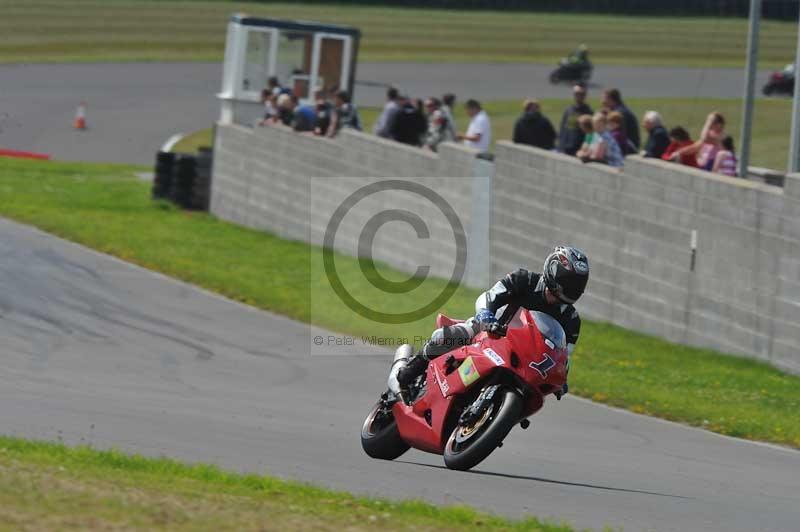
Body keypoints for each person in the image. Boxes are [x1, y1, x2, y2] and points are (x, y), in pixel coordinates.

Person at [396, 246, 590, 397]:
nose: (569, 289)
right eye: (567, 281)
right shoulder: (523, 279)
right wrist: (486, 316)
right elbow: (489, 296)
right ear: (553, 270)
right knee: (450, 335)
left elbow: (563, 357)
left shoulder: (571, 321)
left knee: (533, 394)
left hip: (523, 360)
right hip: (491, 331)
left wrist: (560, 380)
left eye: (575, 286)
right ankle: (409, 373)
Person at [558, 84, 593, 155]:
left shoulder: (589, 112)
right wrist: (560, 146)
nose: (578, 96)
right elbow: (563, 129)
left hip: (579, 150)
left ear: (585, 95)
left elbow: (591, 133)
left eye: (581, 94)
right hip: (566, 148)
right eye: (576, 94)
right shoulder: (568, 110)